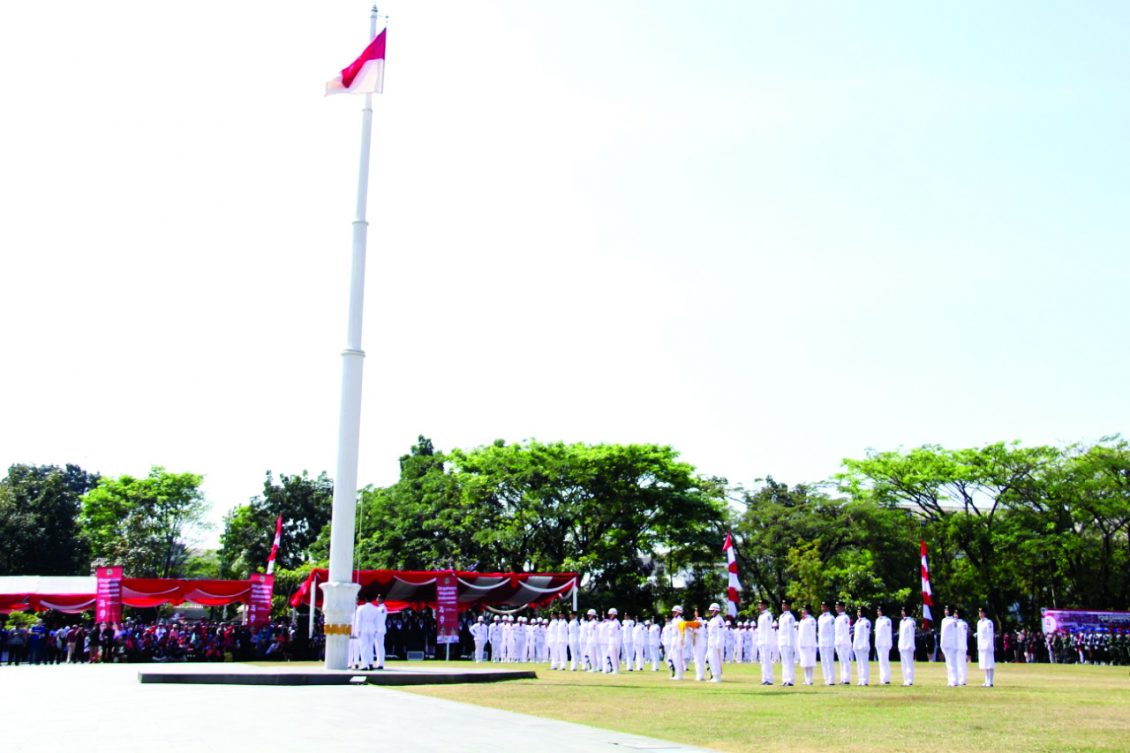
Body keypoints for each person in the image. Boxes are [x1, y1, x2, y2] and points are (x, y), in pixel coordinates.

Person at [777, 600, 797, 687]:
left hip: (788, 642)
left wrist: (790, 644)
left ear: (788, 606)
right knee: (784, 662)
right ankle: (785, 679)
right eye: (782, 605)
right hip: (782, 642)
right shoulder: (781, 616)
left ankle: (790, 680)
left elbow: (790, 631)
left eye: (784, 605)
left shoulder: (790, 617)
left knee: (789, 662)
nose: (783, 606)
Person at [797, 605, 818, 686]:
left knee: (810, 663)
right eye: (802, 610)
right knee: (804, 663)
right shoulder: (802, 620)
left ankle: (810, 679)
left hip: (809, 644)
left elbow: (812, 633)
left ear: (808, 610)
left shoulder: (811, 620)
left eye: (804, 610)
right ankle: (806, 679)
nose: (803, 611)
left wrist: (813, 644)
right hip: (802, 644)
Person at [705, 603, 726, 682]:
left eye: (712, 610)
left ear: (716, 611)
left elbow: (720, 633)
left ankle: (717, 677)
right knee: (711, 659)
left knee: (716, 660)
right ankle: (714, 676)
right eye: (710, 610)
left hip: (716, 643)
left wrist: (718, 643)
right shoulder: (712, 620)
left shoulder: (719, 620)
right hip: (711, 643)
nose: (711, 612)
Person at [834, 601, 853, 685]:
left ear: (842, 607)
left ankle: (846, 679)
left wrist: (844, 641)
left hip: (844, 642)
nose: (836, 608)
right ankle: (842, 678)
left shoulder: (845, 617)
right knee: (841, 661)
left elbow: (846, 631)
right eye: (836, 607)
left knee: (845, 661)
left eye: (838, 607)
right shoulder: (837, 618)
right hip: (838, 642)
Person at [940, 605, 960, 686]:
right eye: (945, 610)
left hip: (952, 644)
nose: (946, 612)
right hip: (945, 644)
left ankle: (954, 680)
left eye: (947, 610)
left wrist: (955, 645)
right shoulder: (943, 620)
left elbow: (955, 634)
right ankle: (950, 680)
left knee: (952, 663)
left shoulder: (953, 621)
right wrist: (942, 644)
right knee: (948, 664)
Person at [756, 600, 775, 685]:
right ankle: (764, 679)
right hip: (761, 641)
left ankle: (769, 679)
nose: (759, 606)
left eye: (761, 605)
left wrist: (767, 642)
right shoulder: (761, 616)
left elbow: (767, 630)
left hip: (766, 641)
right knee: (763, 661)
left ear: (765, 606)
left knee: (767, 661)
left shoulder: (768, 615)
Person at [817, 602, 836, 686]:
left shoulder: (831, 618)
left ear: (828, 607)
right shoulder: (820, 617)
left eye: (824, 606)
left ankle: (831, 679)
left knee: (829, 661)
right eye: (822, 606)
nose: (822, 608)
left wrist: (832, 642)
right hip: (822, 642)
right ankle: (826, 679)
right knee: (823, 661)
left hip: (829, 642)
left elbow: (832, 631)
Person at [874, 605, 893, 684]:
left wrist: (889, 643)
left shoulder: (887, 620)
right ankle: (882, 678)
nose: (878, 612)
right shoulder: (877, 620)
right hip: (879, 643)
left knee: (885, 661)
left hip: (885, 643)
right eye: (877, 611)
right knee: (881, 662)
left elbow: (888, 633)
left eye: (879, 611)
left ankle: (886, 679)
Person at [852, 607, 871, 686]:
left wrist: (865, 645)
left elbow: (866, 635)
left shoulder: (866, 622)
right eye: (858, 612)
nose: (858, 613)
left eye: (860, 612)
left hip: (863, 645)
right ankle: (860, 679)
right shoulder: (857, 621)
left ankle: (865, 680)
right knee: (859, 663)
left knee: (864, 663)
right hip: (857, 645)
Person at [898, 606, 916, 685]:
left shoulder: (911, 622)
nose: (902, 613)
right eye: (902, 611)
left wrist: (911, 645)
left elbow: (911, 635)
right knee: (903, 664)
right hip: (902, 645)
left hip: (908, 645)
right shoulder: (901, 622)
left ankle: (910, 680)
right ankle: (905, 679)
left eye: (904, 611)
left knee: (909, 664)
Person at [977, 607, 995, 687]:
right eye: (979, 612)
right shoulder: (979, 622)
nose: (980, 614)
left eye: (981, 612)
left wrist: (990, 646)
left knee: (989, 664)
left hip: (988, 645)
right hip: (982, 646)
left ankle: (990, 681)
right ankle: (986, 680)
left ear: (985, 613)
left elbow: (990, 635)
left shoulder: (988, 622)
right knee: (985, 664)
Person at [955, 608, 969, 686]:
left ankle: (962, 680)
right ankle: (958, 679)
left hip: (961, 646)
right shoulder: (956, 623)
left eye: (956, 614)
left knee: (961, 664)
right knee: (957, 664)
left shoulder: (963, 624)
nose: (955, 615)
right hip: (956, 646)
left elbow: (963, 636)